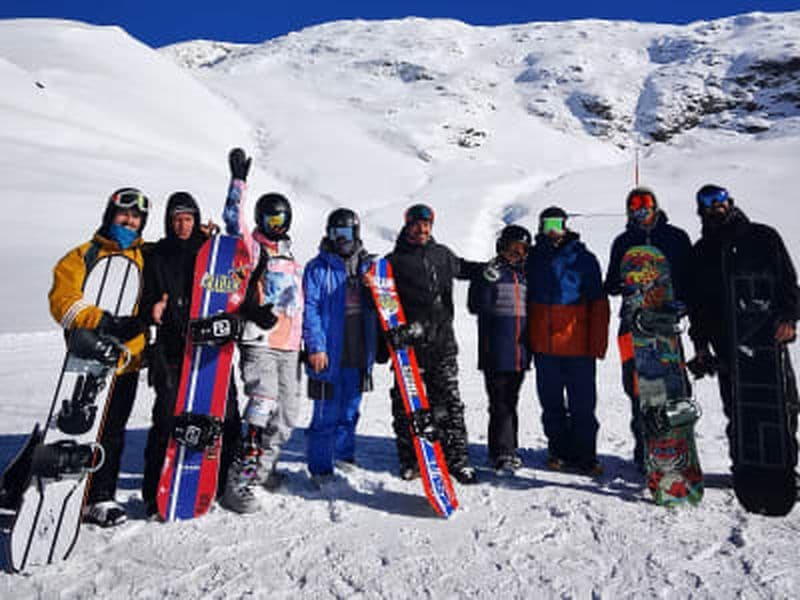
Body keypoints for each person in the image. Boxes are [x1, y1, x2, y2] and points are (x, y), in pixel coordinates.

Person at [686, 184, 799, 489]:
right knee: (736, 407)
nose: (715, 207)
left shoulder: (762, 237)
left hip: (765, 338)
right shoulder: (701, 251)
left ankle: (783, 469)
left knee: (779, 403)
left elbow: (788, 281)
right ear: (700, 209)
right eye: (707, 203)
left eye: (720, 200)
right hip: (725, 343)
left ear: (730, 202)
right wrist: (700, 345)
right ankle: (745, 467)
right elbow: (698, 306)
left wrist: (789, 317)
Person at [48, 188, 149, 527]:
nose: (130, 221)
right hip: (86, 358)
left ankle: (99, 497)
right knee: (74, 427)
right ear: (110, 215)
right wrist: (100, 320)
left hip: (126, 361)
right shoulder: (83, 255)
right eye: (124, 215)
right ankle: (53, 489)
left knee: (113, 432)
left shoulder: (144, 258)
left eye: (136, 218)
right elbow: (64, 302)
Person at [139, 191, 242, 519]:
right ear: (169, 222)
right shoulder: (157, 256)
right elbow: (145, 297)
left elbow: (239, 276)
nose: (183, 225)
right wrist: (152, 308)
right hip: (172, 348)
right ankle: (154, 492)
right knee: (167, 419)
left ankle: (226, 480)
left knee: (225, 415)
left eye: (188, 218)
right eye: (177, 219)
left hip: (212, 351)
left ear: (196, 220)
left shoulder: (210, 251)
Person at [220, 189, 304, 513]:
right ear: (260, 219)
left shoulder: (291, 258)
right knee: (262, 404)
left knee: (286, 417)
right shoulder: (254, 249)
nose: (276, 225)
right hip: (261, 342)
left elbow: (296, 305)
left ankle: (261, 471)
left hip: (289, 346)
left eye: (281, 218)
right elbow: (233, 224)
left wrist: (306, 344)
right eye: (270, 218)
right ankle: (238, 483)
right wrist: (237, 184)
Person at [385, 203, 481, 484]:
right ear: (407, 225)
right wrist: (396, 333)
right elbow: (384, 303)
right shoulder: (394, 262)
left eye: (427, 224)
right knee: (406, 406)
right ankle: (411, 460)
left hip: (442, 344)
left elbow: (465, 268)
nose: (422, 229)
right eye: (416, 224)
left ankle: (458, 459)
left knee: (449, 404)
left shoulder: (442, 255)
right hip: (409, 347)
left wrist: (490, 268)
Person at [603, 187, 693, 469]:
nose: (641, 211)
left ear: (656, 206)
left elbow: (693, 279)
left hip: (665, 325)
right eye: (635, 206)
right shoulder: (623, 241)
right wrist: (621, 284)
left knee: (673, 385)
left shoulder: (675, 238)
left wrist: (684, 303)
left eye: (646, 205)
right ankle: (646, 449)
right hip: (632, 324)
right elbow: (610, 284)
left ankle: (678, 444)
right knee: (639, 388)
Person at [527, 206, 609, 475]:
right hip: (544, 346)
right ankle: (559, 451)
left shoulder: (583, 258)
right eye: (547, 224)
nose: (552, 230)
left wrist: (597, 344)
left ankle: (586, 454)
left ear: (566, 226)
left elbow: (598, 303)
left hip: (578, 346)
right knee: (551, 403)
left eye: (557, 223)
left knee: (582, 403)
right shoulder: (533, 257)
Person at [302, 208, 377, 485]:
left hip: (359, 350)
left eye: (346, 233)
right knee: (325, 413)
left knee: (350, 410)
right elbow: (309, 309)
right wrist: (316, 346)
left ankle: (345, 455)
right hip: (328, 352)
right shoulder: (317, 267)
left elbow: (386, 304)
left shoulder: (369, 267)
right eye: (335, 233)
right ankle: (320, 467)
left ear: (355, 233)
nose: (341, 239)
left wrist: (374, 286)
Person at [467, 224, 533, 473]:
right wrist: (484, 280)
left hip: (520, 352)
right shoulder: (491, 272)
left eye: (521, 249)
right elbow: (475, 305)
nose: (515, 253)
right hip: (495, 350)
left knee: (510, 401)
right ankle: (502, 452)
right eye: (511, 248)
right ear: (501, 248)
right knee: (500, 403)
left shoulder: (526, 275)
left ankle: (508, 447)